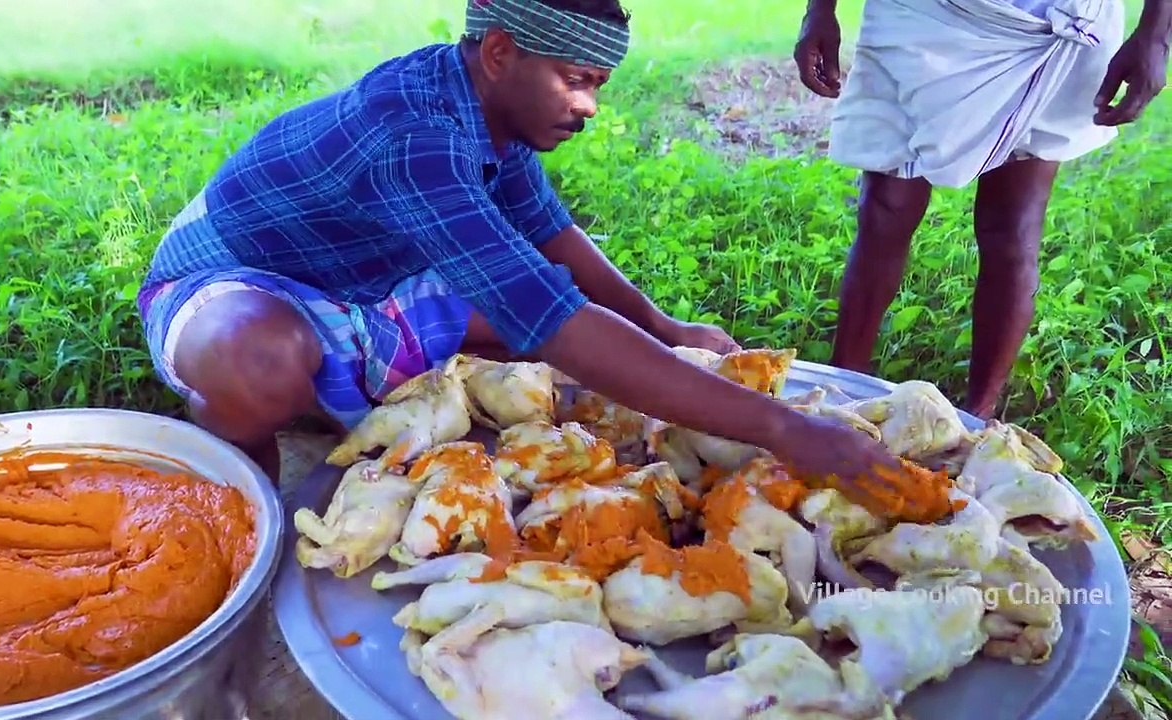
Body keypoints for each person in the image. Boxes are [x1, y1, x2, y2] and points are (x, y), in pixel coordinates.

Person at [135, 0, 907, 507]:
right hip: (230, 287)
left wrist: (667, 328)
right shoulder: (415, 133)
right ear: (502, 53)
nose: (590, 108)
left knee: (568, 312)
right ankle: (244, 499)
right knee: (258, 363)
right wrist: (781, 428)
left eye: (600, 84)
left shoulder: (484, 110)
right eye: (577, 80)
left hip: (367, 289)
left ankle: (338, 385)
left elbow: (554, 241)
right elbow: (551, 318)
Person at [794, 0, 1168, 418]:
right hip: (921, 16)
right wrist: (819, 10)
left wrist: (1155, 32)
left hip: (1046, 19)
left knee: (1011, 230)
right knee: (884, 210)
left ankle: (977, 423)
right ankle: (837, 397)